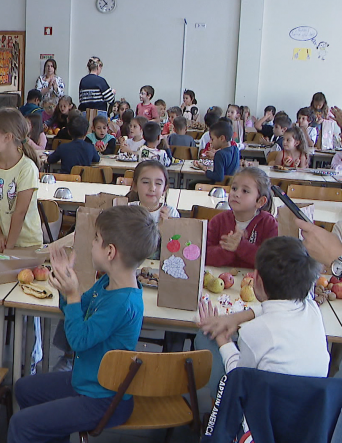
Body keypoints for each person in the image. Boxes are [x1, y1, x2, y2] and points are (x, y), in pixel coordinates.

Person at [8, 205, 159, 443]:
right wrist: (65, 286)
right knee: (24, 389)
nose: (91, 244)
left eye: (96, 239)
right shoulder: (108, 282)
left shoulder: (122, 302)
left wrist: (73, 294)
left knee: (21, 424)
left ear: (110, 251)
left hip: (103, 399)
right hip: (87, 380)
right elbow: (75, 310)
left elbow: (77, 340)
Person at [198, 237, 329, 403]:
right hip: (307, 416)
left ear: (256, 278)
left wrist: (222, 340)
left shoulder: (254, 332)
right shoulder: (312, 308)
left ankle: (217, 419)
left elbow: (238, 379)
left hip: (259, 420)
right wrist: (237, 317)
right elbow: (278, 307)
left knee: (204, 338)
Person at [0, 108, 42, 252]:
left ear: (7, 137)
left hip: (25, 243)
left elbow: (20, 213)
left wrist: (8, 248)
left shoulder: (27, 169)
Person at [205, 167, 276, 268]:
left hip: (254, 282)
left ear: (260, 201)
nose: (236, 194)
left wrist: (241, 247)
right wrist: (227, 249)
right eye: (234, 188)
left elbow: (272, 261)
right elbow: (203, 254)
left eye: (245, 191)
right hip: (219, 279)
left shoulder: (269, 224)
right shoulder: (218, 221)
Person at [127, 160, 180, 259]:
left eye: (158, 183)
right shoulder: (127, 211)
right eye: (146, 182)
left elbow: (176, 252)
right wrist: (157, 230)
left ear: (165, 189)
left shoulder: (171, 214)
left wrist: (168, 231)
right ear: (135, 186)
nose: (152, 188)